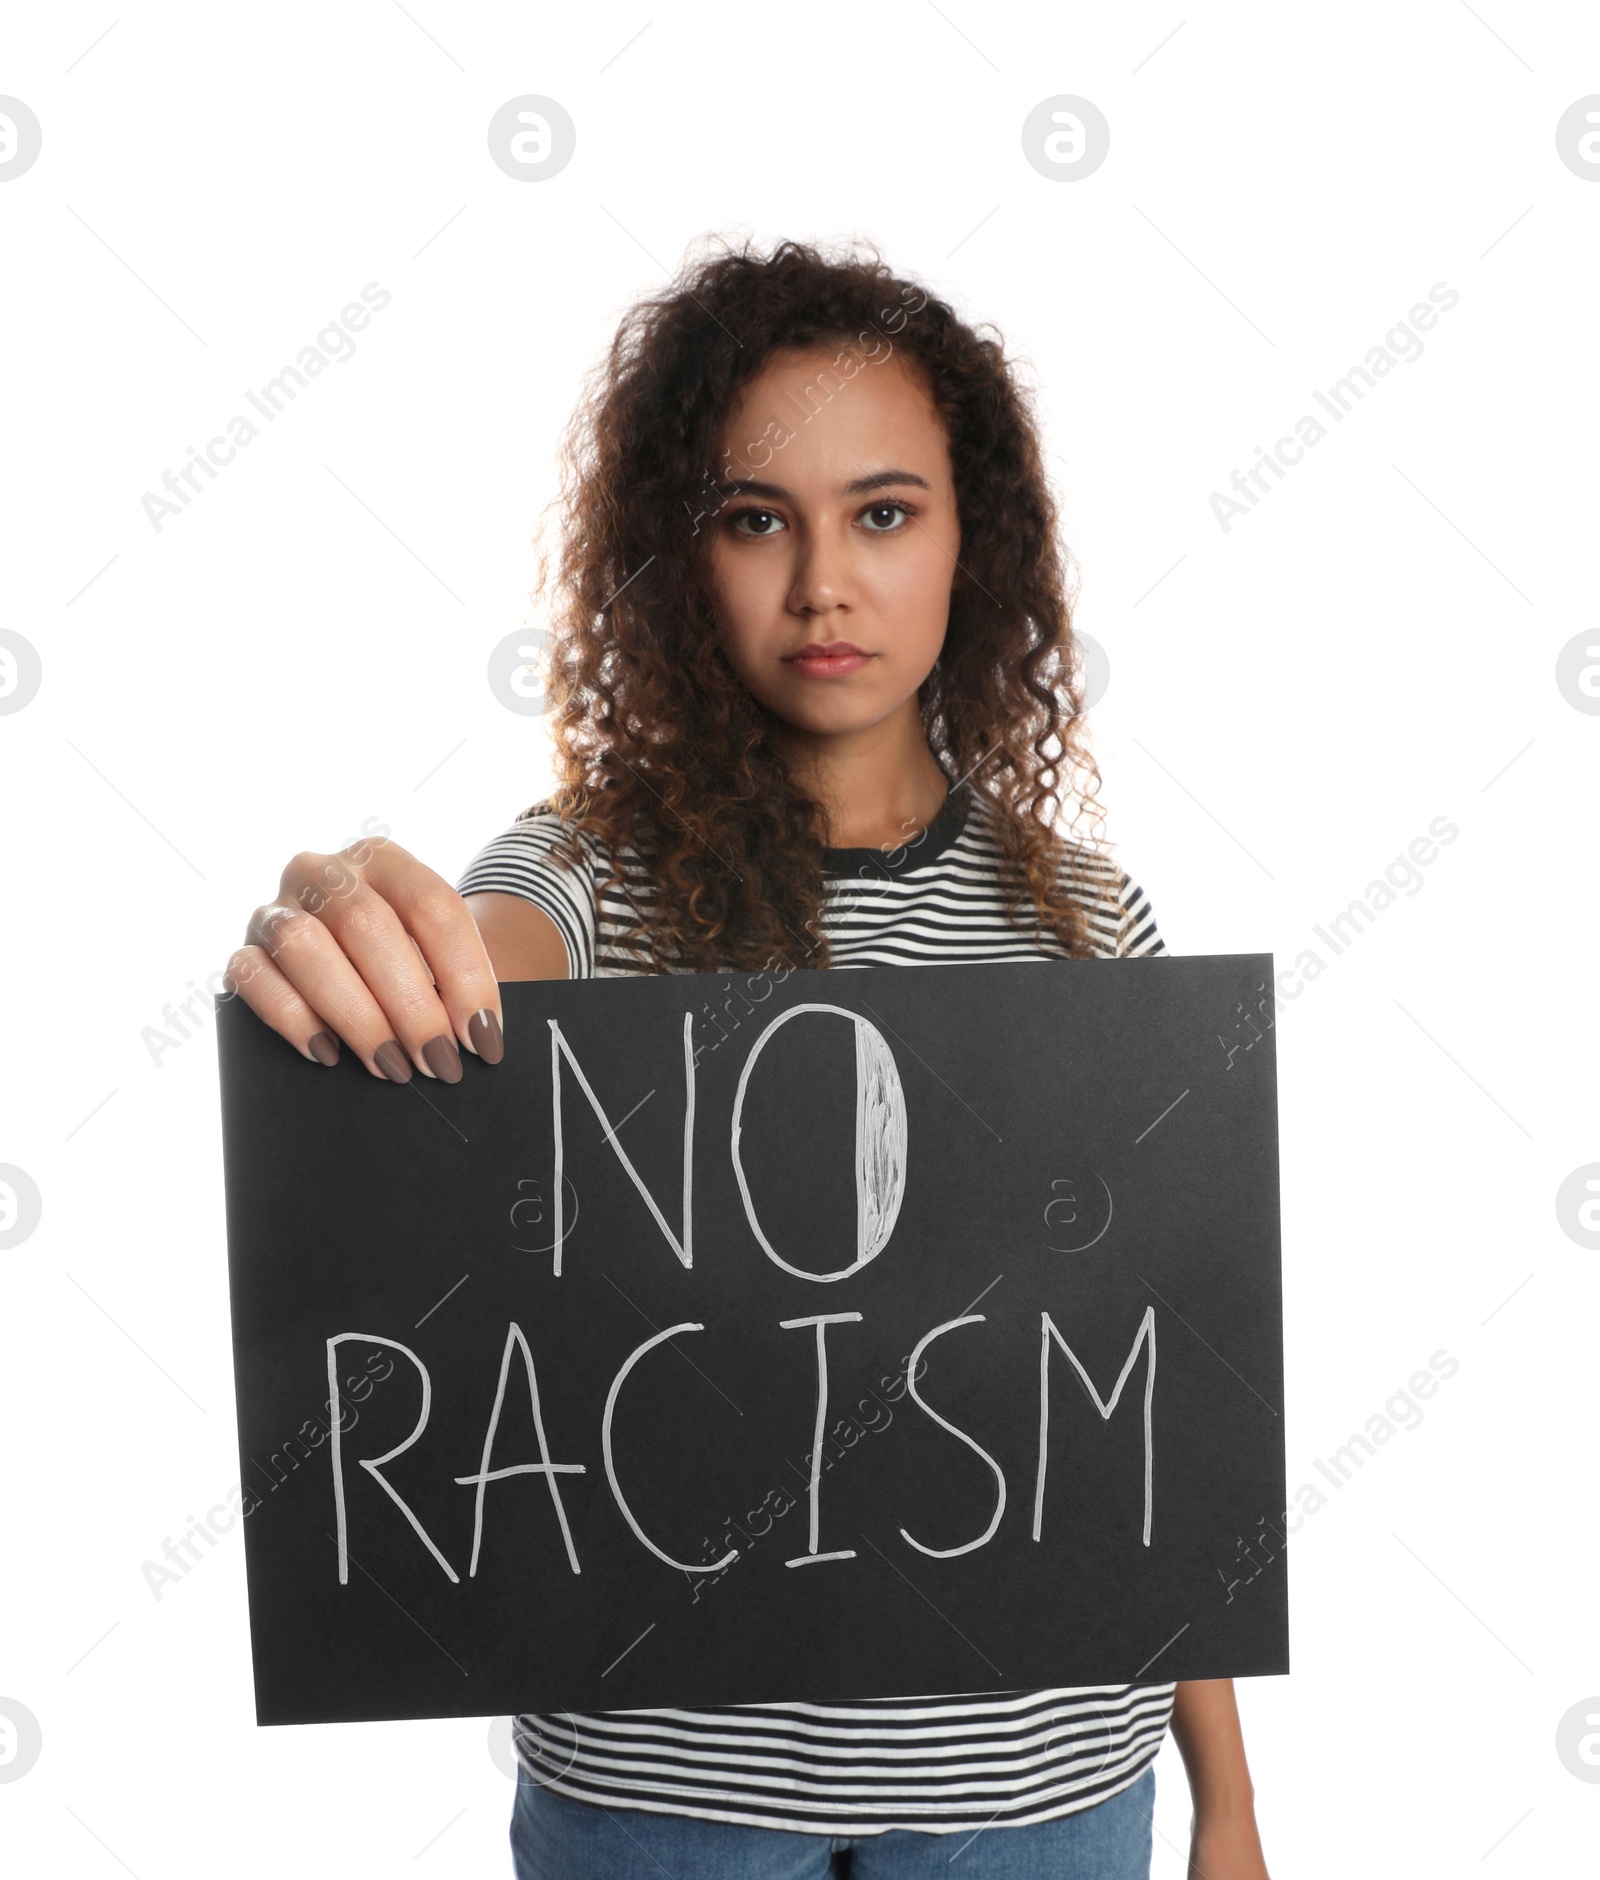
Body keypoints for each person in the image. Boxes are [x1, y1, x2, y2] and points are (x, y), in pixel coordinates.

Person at [227, 237, 1272, 1879]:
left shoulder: (1085, 920)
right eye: (751, 519)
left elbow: (1156, 1425)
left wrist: (1230, 1799)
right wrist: (381, 937)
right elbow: (497, 953)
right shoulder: (589, 872)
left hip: (1041, 1789)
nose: (823, 586)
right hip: (664, 1796)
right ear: (674, 555)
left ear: (967, 544)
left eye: (882, 512)